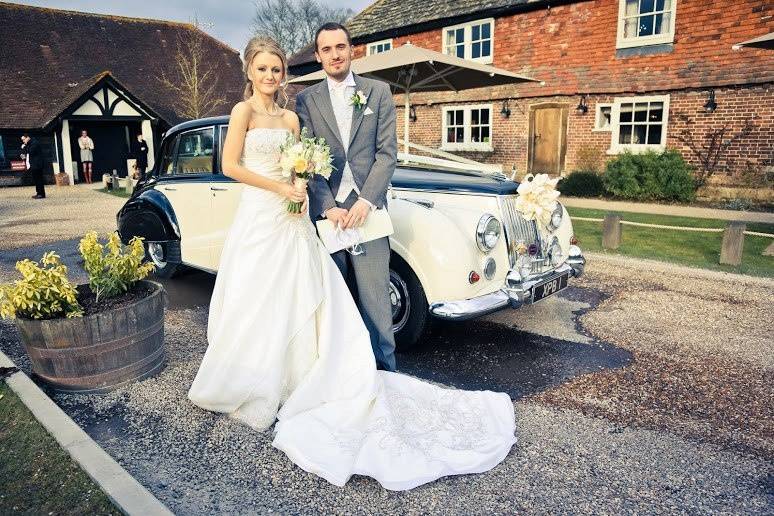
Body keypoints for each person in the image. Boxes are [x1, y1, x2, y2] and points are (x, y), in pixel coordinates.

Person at [187, 35, 516, 491]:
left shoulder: (313, 109)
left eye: (276, 69)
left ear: (347, 52)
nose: (270, 76)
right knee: (268, 295)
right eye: (262, 69)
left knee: (361, 300)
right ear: (251, 72)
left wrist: (342, 197)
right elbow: (236, 165)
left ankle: (377, 376)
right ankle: (271, 377)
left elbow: (355, 157)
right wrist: (307, 197)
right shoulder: (275, 107)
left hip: (339, 212)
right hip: (281, 214)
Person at [296, 23, 397, 372]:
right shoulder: (306, 100)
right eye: (327, 49)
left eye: (341, 47)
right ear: (318, 56)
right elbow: (307, 160)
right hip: (330, 218)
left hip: (368, 211)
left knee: (376, 301)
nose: (335, 54)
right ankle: (341, 376)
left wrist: (366, 200)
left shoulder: (379, 92)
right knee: (333, 302)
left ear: (352, 50)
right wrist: (327, 207)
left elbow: (387, 154)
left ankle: (386, 371)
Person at [20, 134, 45, 199]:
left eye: (23, 139)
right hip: (34, 164)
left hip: (37, 165)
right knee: (37, 180)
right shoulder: (31, 143)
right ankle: (39, 193)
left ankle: (41, 194)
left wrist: (24, 147)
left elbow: (31, 152)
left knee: (39, 180)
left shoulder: (34, 143)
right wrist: (24, 155)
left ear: (27, 137)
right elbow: (30, 153)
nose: (23, 141)